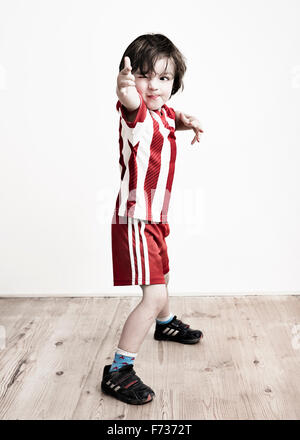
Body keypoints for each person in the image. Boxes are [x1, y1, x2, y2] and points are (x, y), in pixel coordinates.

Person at [101, 33, 204, 405]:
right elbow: (132, 101)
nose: (153, 86)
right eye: (144, 76)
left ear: (174, 83)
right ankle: (118, 370)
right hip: (137, 218)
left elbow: (168, 115)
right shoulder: (136, 110)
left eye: (163, 78)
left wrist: (185, 120)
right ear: (132, 78)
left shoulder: (161, 112)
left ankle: (165, 324)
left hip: (156, 217)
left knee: (163, 272)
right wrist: (125, 86)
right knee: (153, 291)